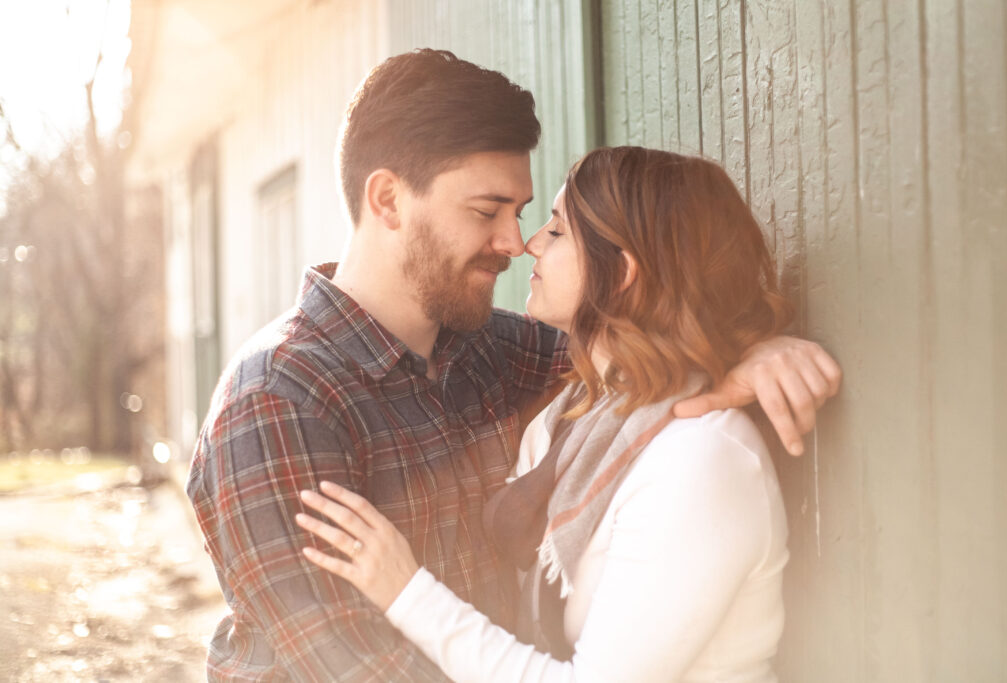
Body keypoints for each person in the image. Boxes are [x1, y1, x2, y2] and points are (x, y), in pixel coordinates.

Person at [187, 49, 840, 681]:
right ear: (387, 200)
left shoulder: (492, 348)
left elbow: (642, 354)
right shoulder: (278, 401)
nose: (514, 242)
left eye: (527, 215)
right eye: (485, 211)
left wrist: (749, 354)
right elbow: (355, 669)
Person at [297, 146, 800, 682]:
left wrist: (406, 592)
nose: (530, 243)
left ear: (622, 273)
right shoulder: (574, 417)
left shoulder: (702, 459)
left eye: (557, 232)